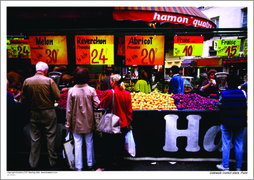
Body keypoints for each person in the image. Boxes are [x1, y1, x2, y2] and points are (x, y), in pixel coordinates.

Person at [21, 61, 60, 169]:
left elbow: (23, 100)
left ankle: (33, 163)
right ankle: (52, 161)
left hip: (34, 112)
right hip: (48, 112)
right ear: (46, 71)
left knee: (35, 138)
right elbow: (57, 96)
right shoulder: (49, 81)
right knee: (51, 136)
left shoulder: (27, 81)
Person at [65, 67, 100, 171]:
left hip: (76, 122)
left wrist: (68, 123)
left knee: (77, 143)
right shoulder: (91, 90)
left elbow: (69, 110)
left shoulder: (71, 91)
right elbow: (97, 104)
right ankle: (90, 163)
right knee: (89, 142)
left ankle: (78, 166)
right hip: (88, 121)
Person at [98, 74, 133, 171]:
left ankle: (106, 165)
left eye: (110, 81)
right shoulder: (127, 93)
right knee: (120, 145)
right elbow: (129, 110)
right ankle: (119, 164)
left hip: (111, 123)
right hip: (123, 123)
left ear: (113, 82)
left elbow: (103, 105)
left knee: (107, 145)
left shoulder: (110, 93)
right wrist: (129, 122)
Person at [216, 74, 247, 171]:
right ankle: (238, 167)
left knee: (226, 143)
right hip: (240, 122)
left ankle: (225, 166)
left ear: (228, 82)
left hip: (226, 122)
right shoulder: (244, 93)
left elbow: (218, 106)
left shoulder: (224, 94)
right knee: (239, 143)